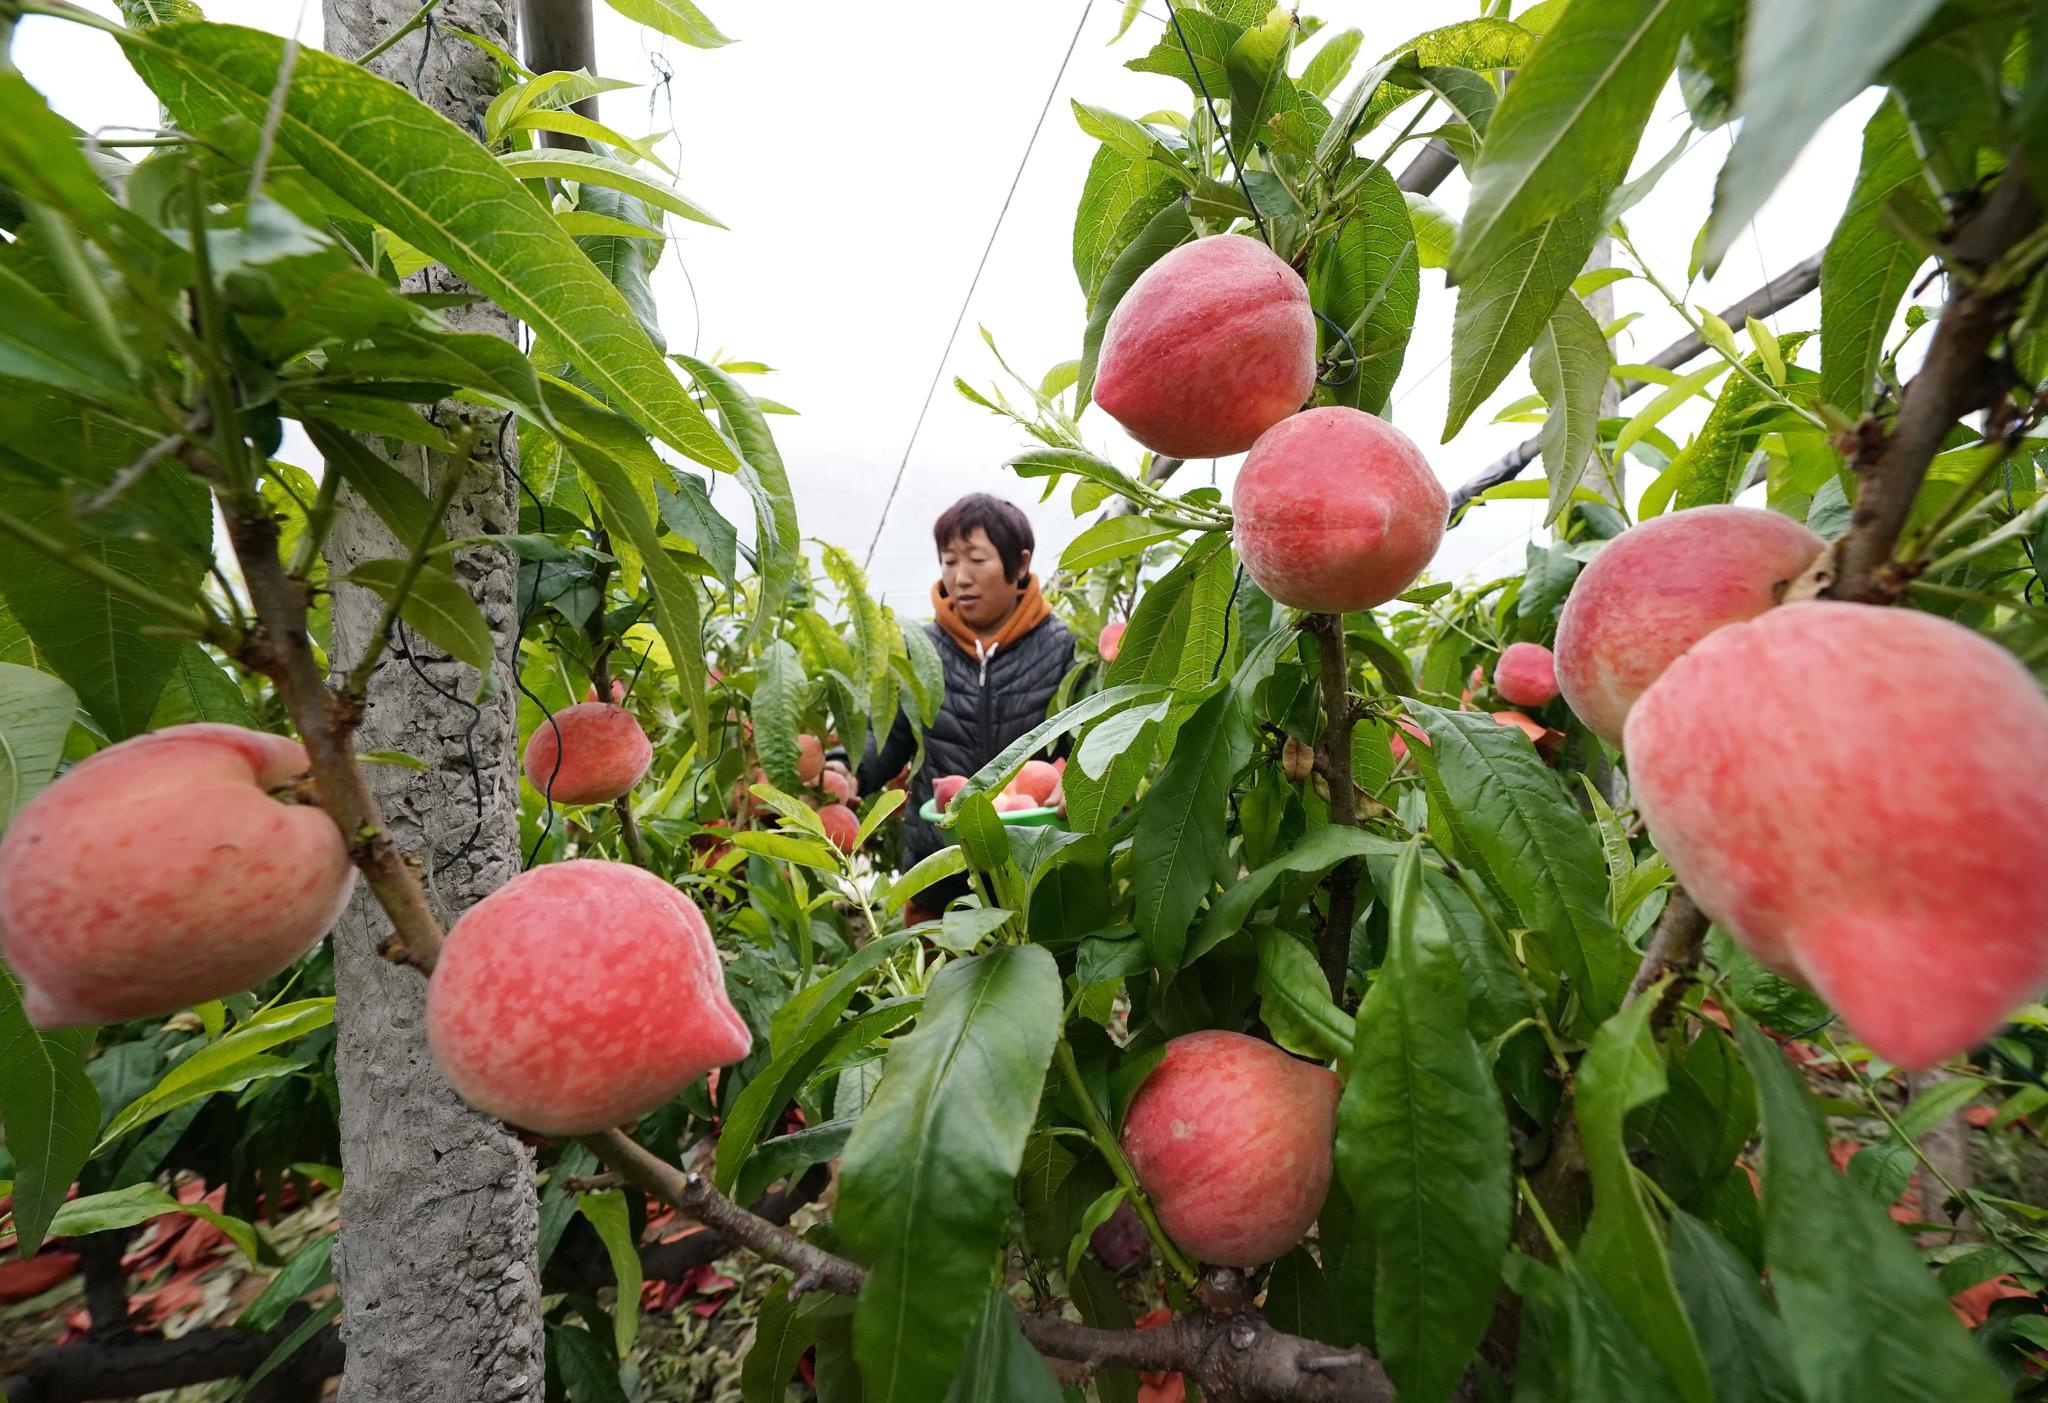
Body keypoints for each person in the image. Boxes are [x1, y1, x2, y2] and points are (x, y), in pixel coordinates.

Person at [856, 494, 1075, 923]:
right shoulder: (921, 650)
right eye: (949, 561)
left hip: (1035, 874)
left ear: (1020, 564)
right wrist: (846, 771)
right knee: (934, 966)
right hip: (938, 877)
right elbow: (886, 736)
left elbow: (1088, 742)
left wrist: (1081, 778)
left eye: (976, 559)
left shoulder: (1064, 649)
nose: (960, 578)